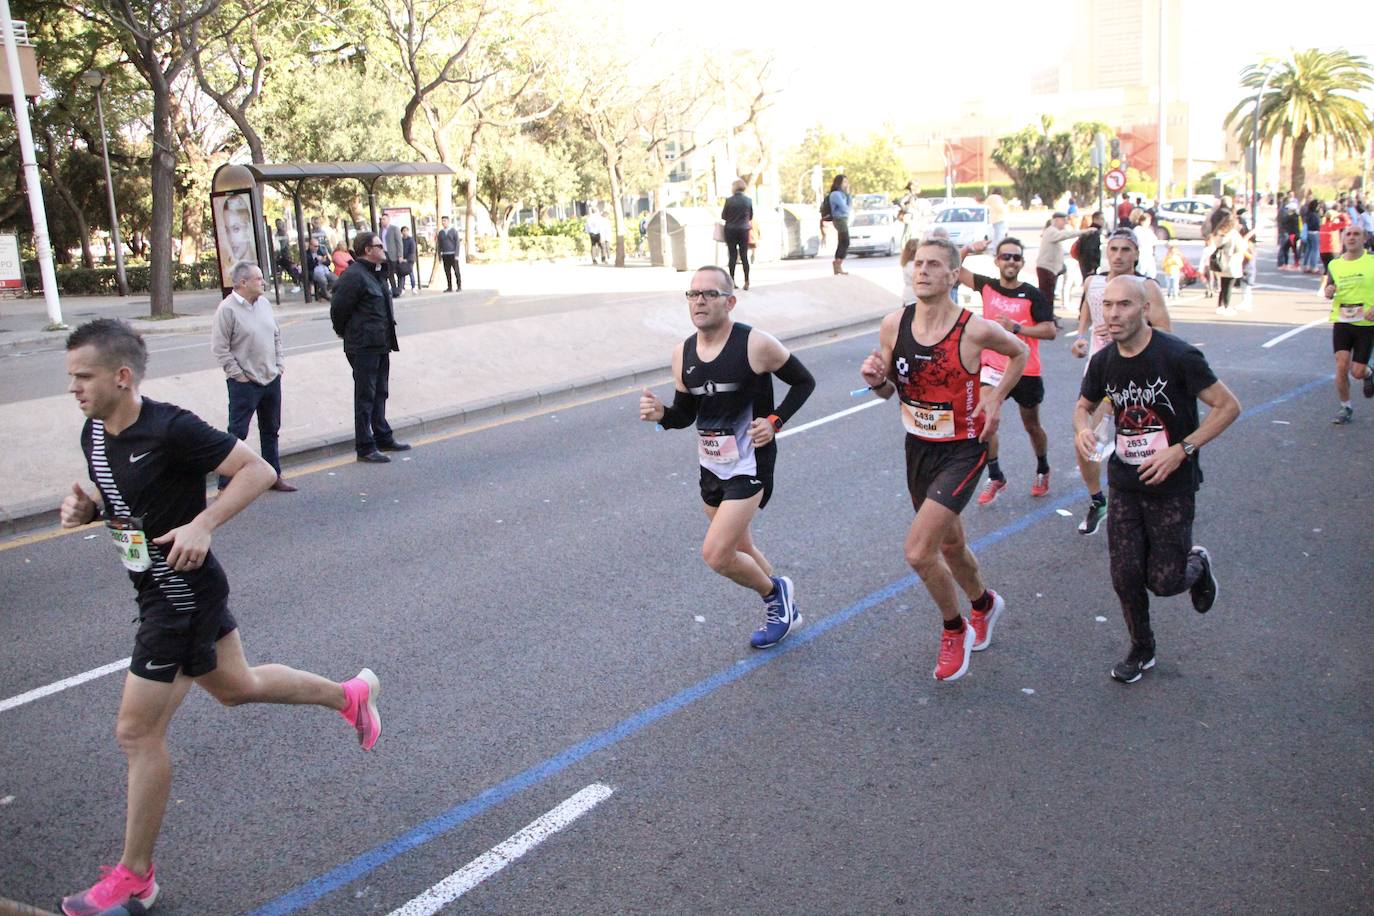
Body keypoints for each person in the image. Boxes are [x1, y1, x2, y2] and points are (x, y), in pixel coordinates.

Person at [57, 319, 381, 916]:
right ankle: (349, 695)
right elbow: (127, 498)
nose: (73, 387)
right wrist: (89, 508)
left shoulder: (171, 427)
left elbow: (256, 470)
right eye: (71, 376)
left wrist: (204, 523)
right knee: (239, 687)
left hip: (179, 596)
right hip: (159, 588)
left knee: (136, 732)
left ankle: (135, 877)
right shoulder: (95, 433)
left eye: (84, 376)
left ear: (122, 376)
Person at [858, 237, 1028, 681]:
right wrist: (877, 380)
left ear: (954, 275)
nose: (923, 271)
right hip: (918, 446)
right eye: (918, 264)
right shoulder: (894, 325)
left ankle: (955, 629)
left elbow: (1020, 353)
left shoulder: (974, 329)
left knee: (919, 552)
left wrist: (994, 397)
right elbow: (890, 388)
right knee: (951, 546)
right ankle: (984, 605)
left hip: (963, 448)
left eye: (934, 265)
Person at [1074, 276, 1241, 684]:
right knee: (1124, 574)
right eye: (1107, 305)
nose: (1112, 314)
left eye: (1124, 306)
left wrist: (1182, 449)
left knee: (1164, 582)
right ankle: (1141, 647)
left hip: (1172, 485)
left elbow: (1227, 406)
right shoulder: (1104, 361)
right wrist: (1084, 428)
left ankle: (1197, 565)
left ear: (1145, 309)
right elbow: (1084, 406)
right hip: (1126, 483)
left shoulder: (1179, 356)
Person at [639, 266, 815, 648]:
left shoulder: (755, 344)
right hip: (711, 466)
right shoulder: (682, 353)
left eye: (710, 294)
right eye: (693, 294)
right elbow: (685, 415)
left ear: (729, 301)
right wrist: (662, 416)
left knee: (717, 554)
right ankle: (785, 600)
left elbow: (804, 382)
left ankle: (775, 600)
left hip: (750, 464)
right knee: (741, 547)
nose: (699, 300)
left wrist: (775, 421)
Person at [1071, 228, 1174, 535]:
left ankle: (1140, 506)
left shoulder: (1146, 287)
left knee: (1131, 441)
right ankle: (1098, 500)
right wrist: (1079, 340)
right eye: (1113, 249)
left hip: (1135, 375)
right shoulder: (1094, 282)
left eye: (1125, 250)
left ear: (1136, 254)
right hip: (1099, 371)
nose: (1118, 256)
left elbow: (1166, 332)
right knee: (1084, 436)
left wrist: (1131, 331)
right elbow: (1085, 321)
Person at [957, 236, 1056, 504]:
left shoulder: (1032, 294)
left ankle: (1043, 468)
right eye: (1005, 257)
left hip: (1025, 369)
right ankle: (996, 475)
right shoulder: (986, 285)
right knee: (984, 420)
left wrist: (1017, 328)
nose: (1010, 261)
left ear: (1022, 262)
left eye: (1016, 257)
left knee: (1032, 425)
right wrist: (968, 249)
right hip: (991, 367)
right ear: (997, 261)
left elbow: (1050, 331)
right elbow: (954, 270)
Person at [210, 262, 295, 494]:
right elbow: (220, 349)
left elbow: (275, 335)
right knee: (237, 433)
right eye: (258, 279)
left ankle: (273, 475)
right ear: (242, 283)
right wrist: (239, 375)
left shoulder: (264, 304)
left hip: (271, 378)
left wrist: (279, 365)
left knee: (271, 429)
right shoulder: (227, 309)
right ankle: (226, 484)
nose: (263, 282)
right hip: (245, 383)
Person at [330, 231, 410, 462]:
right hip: (363, 345)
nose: (383, 249)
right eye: (379, 246)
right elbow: (339, 309)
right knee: (365, 396)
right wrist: (345, 332)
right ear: (368, 250)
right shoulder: (354, 276)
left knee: (380, 392)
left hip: (380, 343)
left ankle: (382, 436)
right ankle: (365, 446)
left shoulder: (376, 274)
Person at [1322, 224, 1374, 425]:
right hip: (1342, 320)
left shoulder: (1371, 261)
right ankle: (1346, 407)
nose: (1352, 238)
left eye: (1356, 234)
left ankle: (1368, 372)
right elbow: (1329, 288)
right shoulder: (1335, 264)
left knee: (1357, 371)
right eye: (1348, 234)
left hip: (1366, 323)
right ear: (1343, 239)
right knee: (1341, 365)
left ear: (1364, 239)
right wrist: (1329, 292)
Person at [1036, 211, 1095, 305]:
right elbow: (1066, 235)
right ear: (1056, 220)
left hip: (1051, 268)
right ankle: (1046, 316)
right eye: (1063, 220)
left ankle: (1050, 315)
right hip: (1046, 268)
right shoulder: (1051, 231)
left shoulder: (1054, 231)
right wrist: (1084, 232)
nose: (1065, 222)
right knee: (1046, 295)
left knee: (1049, 295)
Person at [215, 194, 257, 288]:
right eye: (227, 230)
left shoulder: (255, 269)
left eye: (236, 229)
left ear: (248, 228)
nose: (231, 239)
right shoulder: (230, 273)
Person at [721, 178, 754, 290]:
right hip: (744, 230)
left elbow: (723, 216)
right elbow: (750, 217)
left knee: (732, 256)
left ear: (734, 188)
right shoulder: (748, 200)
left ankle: (732, 282)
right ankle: (747, 281)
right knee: (744, 256)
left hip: (731, 230)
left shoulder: (729, 200)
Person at [1213, 215, 1247, 315]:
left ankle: (1220, 305)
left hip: (1222, 262)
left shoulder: (1220, 233)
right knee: (1229, 286)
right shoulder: (1233, 234)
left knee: (1223, 285)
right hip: (1232, 262)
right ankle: (1226, 306)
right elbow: (1241, 247)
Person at [828, 174, 852, 276]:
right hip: (839, 219)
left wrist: (848, 194)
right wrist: (847, 196)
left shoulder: (843, 194)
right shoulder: (835, 194)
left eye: (847, 182)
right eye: (844, 182)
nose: (846, 184)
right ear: (839, 183)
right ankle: (837, 264)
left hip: (844, 219)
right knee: (845, 241)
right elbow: (845, 208)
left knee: (842, 242)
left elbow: (849, 207)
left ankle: (838, 265)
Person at [1073, 211, 1105, 279]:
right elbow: (1089, 249)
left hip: (1084, 263)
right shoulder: (1093, 232)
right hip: (1089, 265)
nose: (1103, 221)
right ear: (1095, 219)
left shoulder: (1089, 231)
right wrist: (1091, 266)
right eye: (1102, 219)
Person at [378, 213, 402, 296]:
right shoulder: (381, 230)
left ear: (388, 220)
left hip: (393, 254)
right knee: (389, 273)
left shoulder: (394, 229)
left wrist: (400, 255)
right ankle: (394, 290)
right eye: (381, 219)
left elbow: (399, 243)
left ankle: (399, 289)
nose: (382, 221)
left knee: (398, 272)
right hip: (385, 254)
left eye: (384, 219)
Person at [1131, 210, 1159, 281]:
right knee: (1141, 272)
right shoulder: (1137, 230)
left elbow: (1154, 243)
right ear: (1142, 221)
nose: (1148, 223)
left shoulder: (1149, 231)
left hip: (1149, 254)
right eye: (1147, 221)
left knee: (1151, 274)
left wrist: (1153, 253)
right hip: (1141, 254)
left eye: (1149, 221)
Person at [437, 215, 461, 291]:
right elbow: (439, 245)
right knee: (447, 272)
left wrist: (456, 254)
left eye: (445, 221)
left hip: (453, 254)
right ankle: (449, 287)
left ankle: (459, 286)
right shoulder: (441, 233)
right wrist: (439, 256)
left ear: (448, 221)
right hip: (445, 254)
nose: (444, 222)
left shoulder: (453, 231)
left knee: (456, 271)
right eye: (442, 221)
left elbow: (457, 243)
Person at [897, 181, 921, 246]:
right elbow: (901, 202)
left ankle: (908, 247)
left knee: (911, 231)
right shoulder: (909, 195)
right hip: (910, 216)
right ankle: (906, 247)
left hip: (913, 216)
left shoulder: (912, 195)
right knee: (908, 232)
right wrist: (906, 210)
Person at [398, 225, 416, 291]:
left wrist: (408, 259)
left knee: (410, 272)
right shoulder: (400, 240)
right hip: (402, 259)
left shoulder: (411, 240)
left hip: (409, 260)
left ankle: (413, 286)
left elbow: (412, 251)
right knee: (402, 273)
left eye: (406, 231)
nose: (405, 232)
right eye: (403, 231)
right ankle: (402, 287)